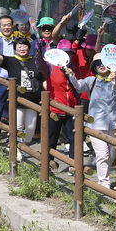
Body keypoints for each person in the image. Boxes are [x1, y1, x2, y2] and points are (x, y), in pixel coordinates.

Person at [67, 54, 116, 188]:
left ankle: (105, 176)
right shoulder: (91, 81)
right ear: (94, 67)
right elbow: (78, 86)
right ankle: (104, 183)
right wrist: (72, 76)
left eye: (104, 63)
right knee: (102, 154)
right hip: (95, 125)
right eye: (98, 63)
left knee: (112, 155)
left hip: (114, 125)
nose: (101, 65)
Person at [0, 35, 44, 160]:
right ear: (15, 48)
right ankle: (17, 149)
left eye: (25, 46)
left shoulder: (34, 61)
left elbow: (41, 78)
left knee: (30, 129)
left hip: (33, 100)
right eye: (19, 46)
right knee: (17, 127)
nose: (22, 48)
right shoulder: (11, 61)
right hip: (17, 100)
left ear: (29, 48)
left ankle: (24, 145)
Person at [42, 39, 78, 170]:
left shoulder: (73, 67)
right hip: (55, 108)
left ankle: (73, 166)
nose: (67, 56)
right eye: (64, 53)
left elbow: (78, 87)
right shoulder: (50, 66)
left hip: (71, 109)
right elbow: (39, 64)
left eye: (69, 53)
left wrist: (72, 75)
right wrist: (38, 50)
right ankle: (47, 164)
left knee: (75, 138)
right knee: (52, 138)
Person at [0, 14, 16, 121]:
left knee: (14, 109)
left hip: (15, 79)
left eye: (9, 25)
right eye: (4, 25)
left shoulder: (18, 41)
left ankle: (12, 136)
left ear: (12, 26)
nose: (6, 28)